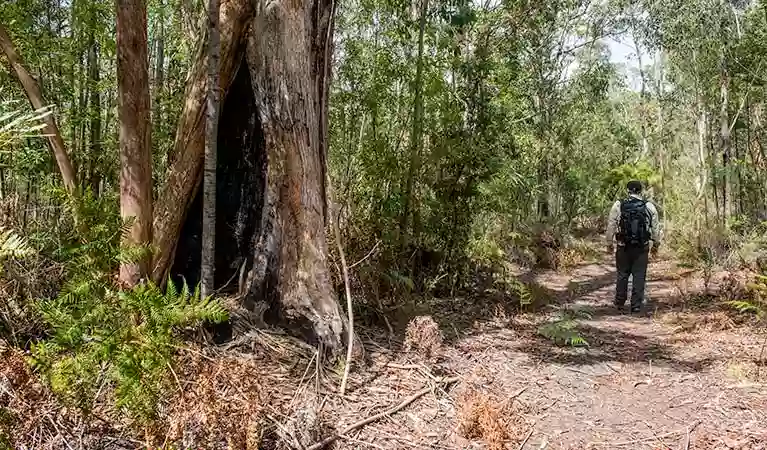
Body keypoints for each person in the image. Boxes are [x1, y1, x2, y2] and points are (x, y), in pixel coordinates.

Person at [605, 180, 660, 313]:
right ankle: (636, 305)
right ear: (640, 191)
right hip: (642, 247)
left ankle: (619, 302)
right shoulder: (649, 206)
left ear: (627, 191)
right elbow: (655, 228)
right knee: (639, 275)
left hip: (623, 246)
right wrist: (656, 245)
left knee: (622, 274)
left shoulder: (619, 205)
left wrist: (609, 243)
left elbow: (611, 225)